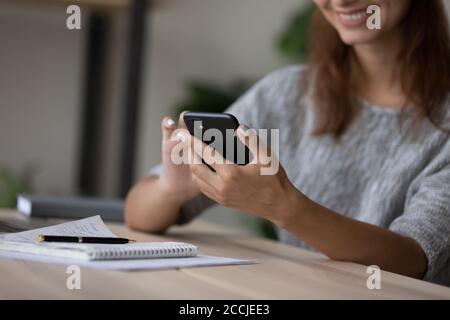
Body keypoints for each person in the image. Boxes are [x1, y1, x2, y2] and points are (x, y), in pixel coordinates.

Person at [125, 0, 450, 286]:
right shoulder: (286, 95)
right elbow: (138, 214)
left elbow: (414, 258)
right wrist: (172, 188)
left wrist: (284, 207)